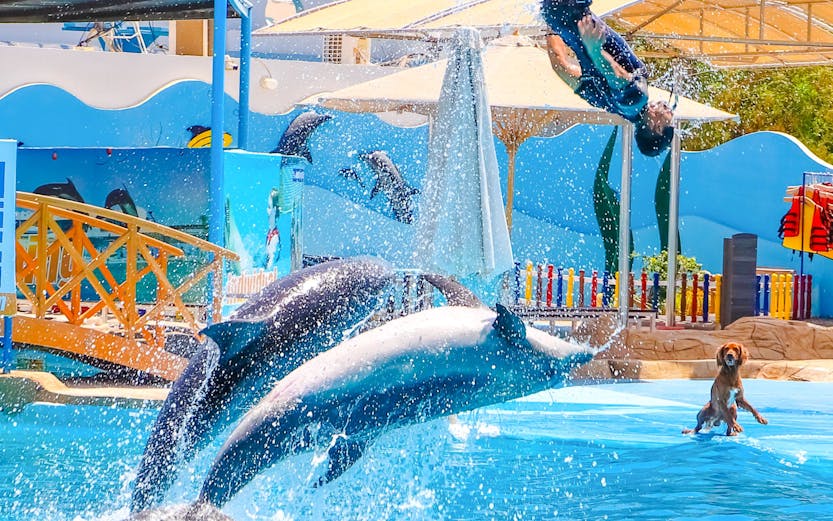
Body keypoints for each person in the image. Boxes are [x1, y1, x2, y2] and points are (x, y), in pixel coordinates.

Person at [541, 0, 674, 156]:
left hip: (572, 8)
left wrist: (595, 50)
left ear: (657, 127)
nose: (671, 114)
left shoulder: (636, 99)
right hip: (558, 16)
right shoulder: (605, 103)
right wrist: (552, 26)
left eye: (670, 121)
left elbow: (616, 76)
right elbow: (561, 67)